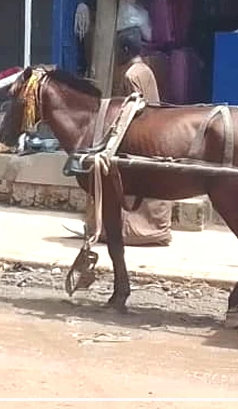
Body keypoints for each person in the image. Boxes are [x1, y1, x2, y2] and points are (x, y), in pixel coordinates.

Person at [67, 29, 174, 247]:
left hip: (137, 133)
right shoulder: (146, 69)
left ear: (125, 50)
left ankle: (113, 227)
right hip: (153, 129)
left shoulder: (130, 75)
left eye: (117, 51)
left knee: (103, 171)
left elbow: (130, 111)